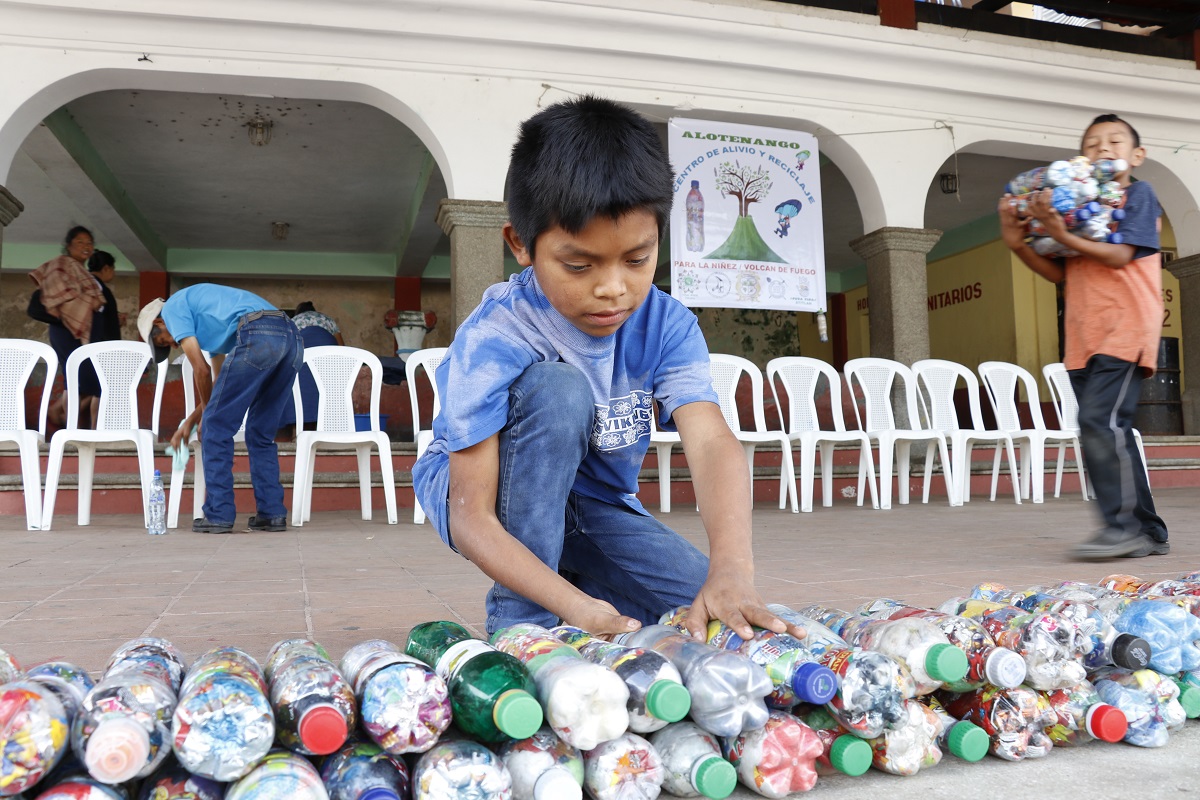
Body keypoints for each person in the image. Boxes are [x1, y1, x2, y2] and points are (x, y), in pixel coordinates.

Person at [412, 96, 802, 643]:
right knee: (558, 389)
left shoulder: (667, 323)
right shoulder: (496, 335)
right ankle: (523, 624)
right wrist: (574, 609)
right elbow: (470, 515)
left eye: (637, 260)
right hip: (487, 492)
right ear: (521, 244)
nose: (612, 288)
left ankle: (567, 569)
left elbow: (712, 442)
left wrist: (732, 568)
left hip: (593, 503)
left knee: (712, 615)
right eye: (579, 265)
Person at [999, 113, 1168, 560]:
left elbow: (1120, 255)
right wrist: (1019, 242)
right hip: (1083, 335)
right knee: (1115, 430)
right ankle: (1148, 531)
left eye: (1115, 141)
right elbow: (1058, 272)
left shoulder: (1138, 194)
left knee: (1099, 423)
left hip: (1126, 324)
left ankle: (1122, 528)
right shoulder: (1077, 207)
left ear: (1137, 156)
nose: (1103, 148)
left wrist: (1058, 232)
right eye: (1092, 144)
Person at [138, 285, 302, 534]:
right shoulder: (212, 328)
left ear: (159, 320)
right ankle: (272, 514)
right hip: (291, 338)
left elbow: (200, 371)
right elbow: (218, 384)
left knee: (215, 427)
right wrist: (191, 422)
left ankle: (218, 514)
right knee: (260, 432)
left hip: (259, 333)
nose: (173, 343)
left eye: (164, 338)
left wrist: (205, 421)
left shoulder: (172, 308)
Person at [29, 226, 103, 428]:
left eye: (89, 242)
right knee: (75, 377)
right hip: (66, 333)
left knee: (89, 380)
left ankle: (68, 419)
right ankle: (68, 424)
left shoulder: (83, 274)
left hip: (83, 334)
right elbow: (45, 304)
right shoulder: (60, 266)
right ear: (69, 246)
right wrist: (80, 310)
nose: (85, 246)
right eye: (80, 242)